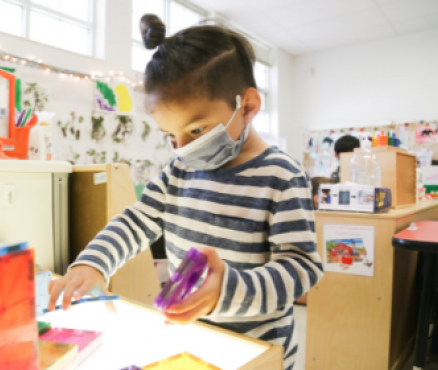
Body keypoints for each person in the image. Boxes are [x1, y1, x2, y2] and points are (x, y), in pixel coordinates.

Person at [48, 14, 323, 370]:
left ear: (248, 106)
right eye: (171, 136)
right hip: (192, 339)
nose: (181, 148)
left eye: (196, 130)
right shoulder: (181, 169)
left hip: (256, 349)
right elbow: (137, 221)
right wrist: (94, 263)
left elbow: (301, 267)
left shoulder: (281, 176)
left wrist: (227, 290)